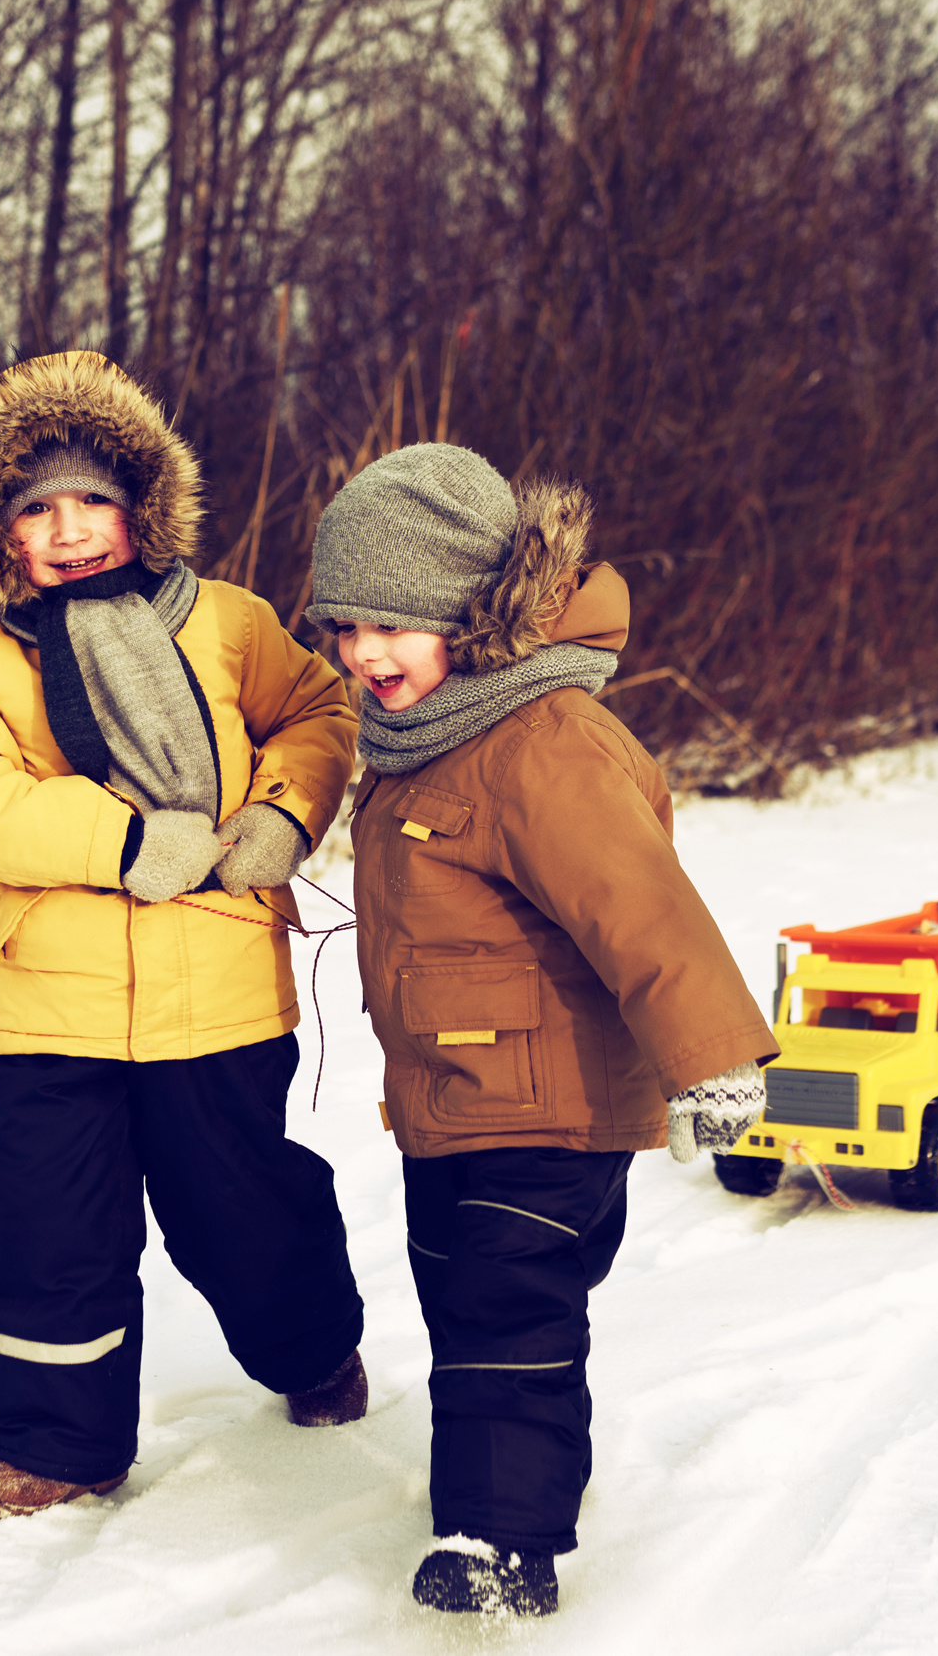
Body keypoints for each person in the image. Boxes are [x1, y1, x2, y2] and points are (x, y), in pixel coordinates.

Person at [306, 442, 778, 1616]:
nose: (364, 657)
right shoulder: (419, 743)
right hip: (449, 1107)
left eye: (392, 627)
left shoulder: (542, 741)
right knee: (462, 1297)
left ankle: (500, 1542)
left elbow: (642, 907)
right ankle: (505, 1478)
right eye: (344, 629)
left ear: (469, 613)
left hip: (552, 1103)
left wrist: (714, 1058)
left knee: (504, 1311)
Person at [0, 350, 368, 1520]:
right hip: (56, 1009)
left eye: (92, 501)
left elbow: (317, 713)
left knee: (241, 1215)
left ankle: (313, 1350)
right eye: (36, 509)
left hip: (217, 992)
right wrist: (120, 840)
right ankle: (57, 1445)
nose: (68, 532)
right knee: (38, 1224)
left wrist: (280, 813)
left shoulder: (226, 623)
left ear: (141, 506)